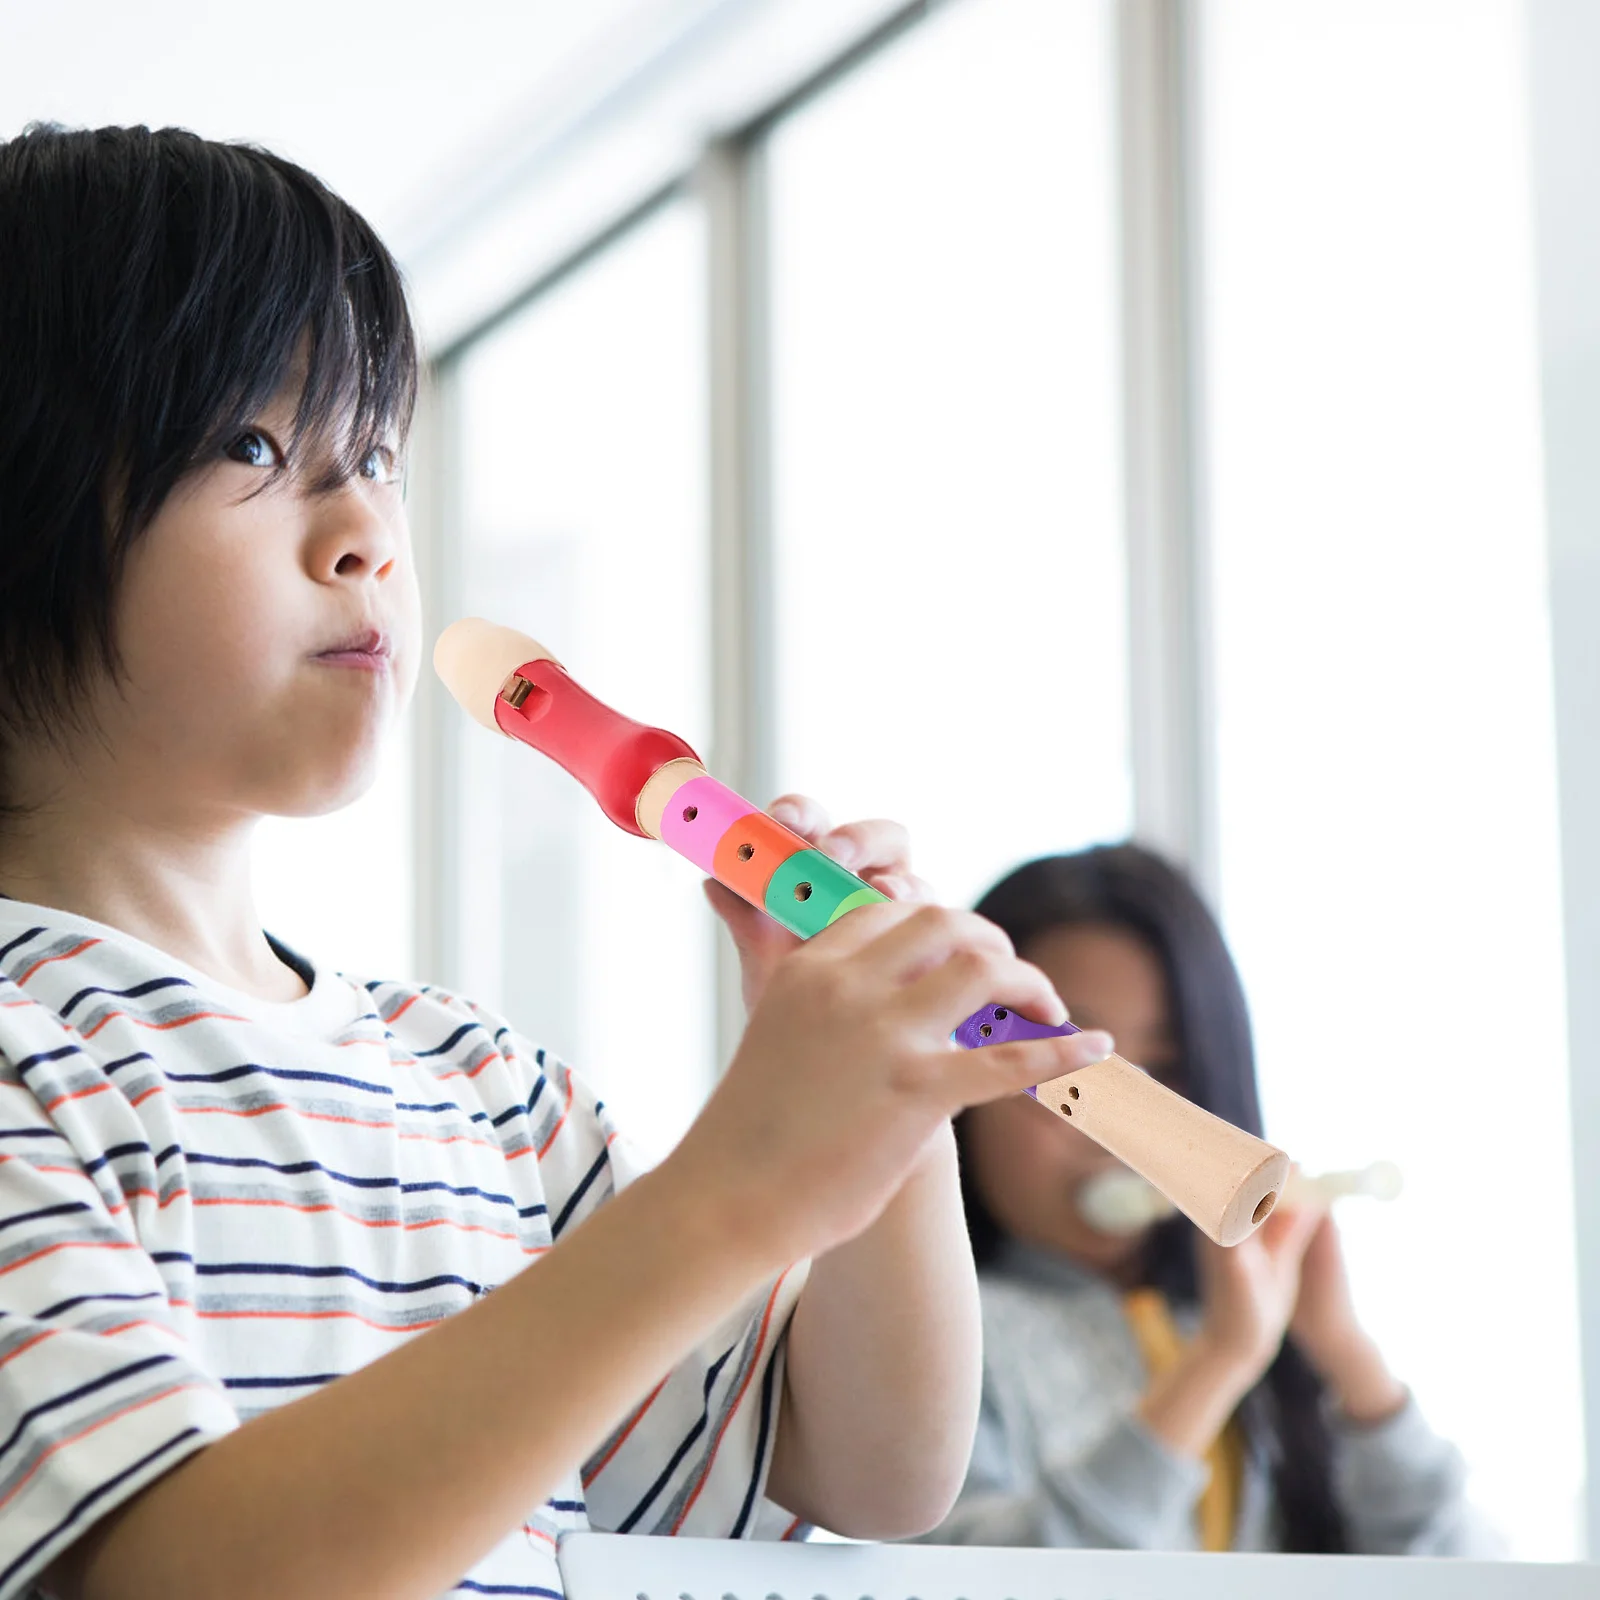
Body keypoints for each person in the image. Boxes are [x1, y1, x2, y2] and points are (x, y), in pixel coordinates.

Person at [0, 124, 1114, 1600]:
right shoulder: (26, 1055)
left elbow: (870, 1468)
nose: (366, 531)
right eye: (253, 446)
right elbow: (183, 1573)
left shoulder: (479, 1084)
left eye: (376, 456)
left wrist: (891, 1110)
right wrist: (734, 1191)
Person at [933, 844, 1486, 1554]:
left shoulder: (1269, 1337)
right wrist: (1218, 1363)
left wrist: (1344, 1352)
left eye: (1165, 1070)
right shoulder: (936, 1328)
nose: (1115, 1132)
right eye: (1064, 1072)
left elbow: (1470, 1574)